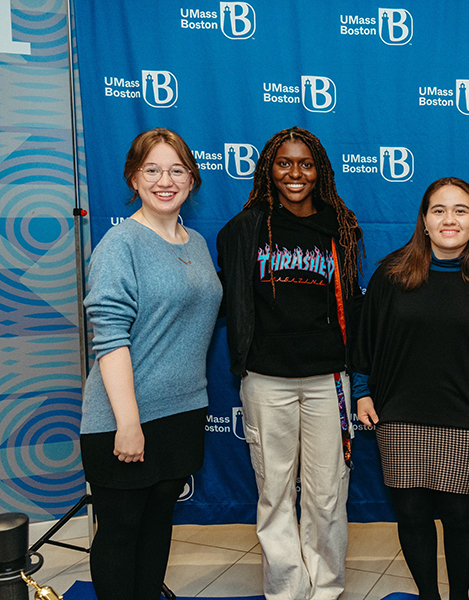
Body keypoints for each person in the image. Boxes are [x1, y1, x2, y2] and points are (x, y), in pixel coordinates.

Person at [216, 127, 364, 600]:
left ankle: (325, 589)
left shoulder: (339, 226)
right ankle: (286, 592)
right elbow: (231, 300)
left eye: (305, 163)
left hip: (329, 380)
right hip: (266, 380)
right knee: (275, 493)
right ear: (269, 170)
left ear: (319, 169)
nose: (295, 173)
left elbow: (355, 309)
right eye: (284, 163)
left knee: (327, 494)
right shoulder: (246, 228)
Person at [354, 177, 469, 600]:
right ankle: (429, 596)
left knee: (461, 515)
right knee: (411, 514)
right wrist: (362, 390)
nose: (449, 219)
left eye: (461, 210)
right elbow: (364, 341)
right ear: (423, 220)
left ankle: (458, 596)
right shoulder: (391, 275)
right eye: (438, 210)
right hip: (400, 414)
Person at [80, 128, 221, 599]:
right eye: (152, 170)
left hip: (181, 412)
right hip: (125, 417)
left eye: (177, 170)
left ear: (192, 179)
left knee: (159, 527)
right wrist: (128, 423)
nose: (166, 180)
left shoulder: (196, 243)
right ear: (133, 178)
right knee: (120, 533)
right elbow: (110, 338)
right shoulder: (120, 245)